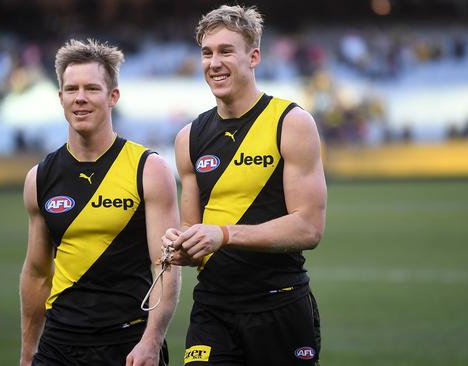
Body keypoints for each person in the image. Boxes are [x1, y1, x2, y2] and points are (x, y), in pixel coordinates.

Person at [164, 5, 327, 365]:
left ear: (254, 57)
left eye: (225, 51)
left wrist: (223, 234)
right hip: (212, 309)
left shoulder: (291, 122)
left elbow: (309, 228)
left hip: (279, 304)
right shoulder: (188, 138)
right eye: (207, 53)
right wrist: (181, 244)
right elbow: (194, 231)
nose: (214, 62)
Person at [20, 39, 181, 366]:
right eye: (72, 89)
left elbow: (166, 266)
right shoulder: (39, 177)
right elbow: (37, 274)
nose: (80, 98)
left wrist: (152, 341)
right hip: (58, 346)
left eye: (92, 88)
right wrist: (27, 353)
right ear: (60, 97)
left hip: (128, 343)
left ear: (113, 97)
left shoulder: (149, 169)